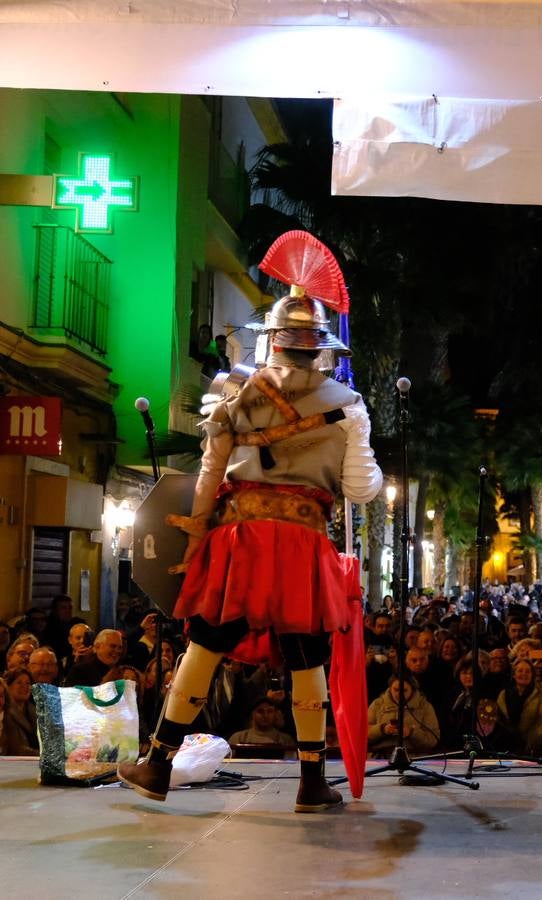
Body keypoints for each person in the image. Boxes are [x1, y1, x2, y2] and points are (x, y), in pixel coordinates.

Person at [119, 231, 383, 813]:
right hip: (304, 545)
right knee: (306, 656)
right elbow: (362, 490)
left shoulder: (233, 393)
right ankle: (313, 782)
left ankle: (158, 764)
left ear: (272, 343)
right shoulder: (346, 404)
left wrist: (196, 530)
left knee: (206, 647)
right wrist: (356, 434)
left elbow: (211, 471)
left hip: (238, 538)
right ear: (320, 347)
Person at [367, 677, 440, 756]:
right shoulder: (377, 704)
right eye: (396, 690)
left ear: (412, 689)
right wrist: (382, 729)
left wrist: (411, 733)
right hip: (381, 757)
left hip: (413, 757)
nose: (399, 694)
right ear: (390, 688)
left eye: (404, 690)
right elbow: (361, 735)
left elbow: (432, 740)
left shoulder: (425, 707)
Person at [229, 699, 298, 753]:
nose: (265, 715)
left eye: (270, 711)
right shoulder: (238, 738)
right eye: (260, 711)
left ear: (275, 714)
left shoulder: (286, 740)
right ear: (252, 714)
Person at [3, 666, 38, 752]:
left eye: (28, 683)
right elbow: (16, 748)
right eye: (19, 683)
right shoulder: (4, 712)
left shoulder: (35, 711)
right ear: (8, 686)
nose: (24, 686)